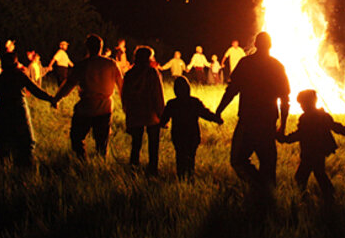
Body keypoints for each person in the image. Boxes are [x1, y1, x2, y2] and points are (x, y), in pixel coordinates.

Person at [215, 32, 290, 189]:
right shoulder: (277, 66)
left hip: (248, 120)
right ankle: (267, 192)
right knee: (268, 161)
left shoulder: (245, 63)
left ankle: (259, 187)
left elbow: (232, 90)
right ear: (270, 45)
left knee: (238, 160)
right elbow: (285, 99)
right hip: (268, 120)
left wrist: (219, 110)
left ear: (255, 44)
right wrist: (282, 126)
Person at [53, 34, 124, 159]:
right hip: (105, 107)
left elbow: (69, 85)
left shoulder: (82, 65)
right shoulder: (111, 64)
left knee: (77, 137)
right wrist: (126, 105)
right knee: (102, 141)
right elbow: (121, 86)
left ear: (87, 47)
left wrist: (56, 98)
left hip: (86, 107)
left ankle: (82, 159)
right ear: (101, 47)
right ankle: (100, 163)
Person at [279, 89, 345, 201]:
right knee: (319, 173)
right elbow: (336, 127)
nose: (301, 107)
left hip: (310, 152)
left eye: (302, 104)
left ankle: (304, 198)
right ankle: (330, 195)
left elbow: (300, 134)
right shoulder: (323, 116)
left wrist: (286, 139)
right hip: (320, 151)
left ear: (309, 103)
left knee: (301, 177)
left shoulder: (305, 118)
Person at [0, 52, 55, 167]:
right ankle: (26, 170)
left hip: (3, 110)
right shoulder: (20, 75)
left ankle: (4, 172)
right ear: (15, 63)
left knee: (4, 144)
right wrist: (51, 99)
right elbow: (35, 90)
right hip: (19, 110)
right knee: (26, 142)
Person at [160, 76, 222, 178]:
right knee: (191, 157)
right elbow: (205, 113)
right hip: (193, 135)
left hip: (178, 135)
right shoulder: (194, 102)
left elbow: (164, 120)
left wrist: (161, 124)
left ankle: (181, 177)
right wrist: (217, 119)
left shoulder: (172, 104)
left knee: (180, 156)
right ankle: (190, 176)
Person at [121, 46, 165, 175]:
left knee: (136, 144)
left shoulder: (129, 74)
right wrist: (161, 114)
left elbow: (125, 96)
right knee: (153, 145)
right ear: (148, 58)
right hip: (151, 114)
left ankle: (133, 169)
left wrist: (128, 113)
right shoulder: (152, 73)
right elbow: (158, 95)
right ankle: (152, 170)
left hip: (135, 114)